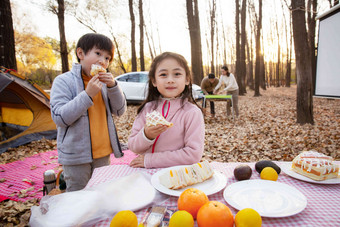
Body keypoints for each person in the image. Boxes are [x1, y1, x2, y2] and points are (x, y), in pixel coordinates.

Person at [50, 33, 127, 192]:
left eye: (107, 58)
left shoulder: (106, 83)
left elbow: (120, 111)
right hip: (76, 156)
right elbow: (60, 117)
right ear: (81, 53)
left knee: (100, 195)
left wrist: (113, 86)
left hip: (103, 154)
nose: (102, 61)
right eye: (98, 54)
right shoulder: (64, 81)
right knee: (78, 198)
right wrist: (87, 94)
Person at [128, 52, 205, 168]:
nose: (170, 80)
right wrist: (147, 135)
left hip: (176, 175)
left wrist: (151, 160)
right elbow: (133, 146)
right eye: (163, 74)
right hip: (144, 175)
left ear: (187, 79)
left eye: (177, 74)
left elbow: (193, 154)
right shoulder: (148, 109)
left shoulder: (192, 113)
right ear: (154, 81)